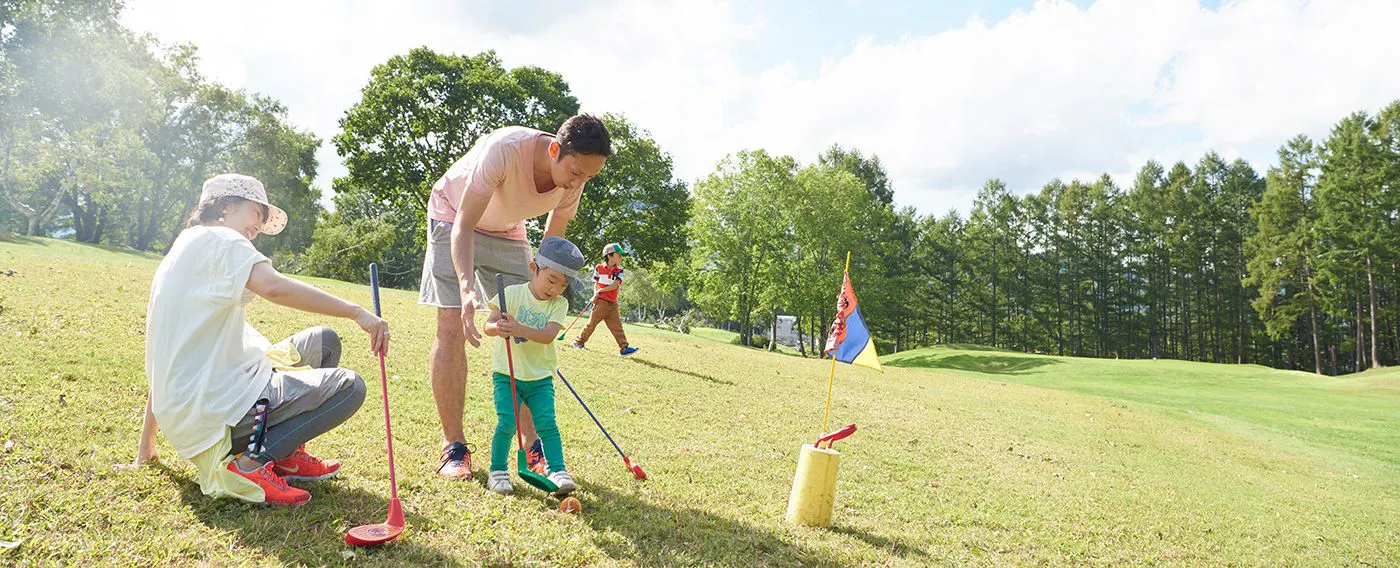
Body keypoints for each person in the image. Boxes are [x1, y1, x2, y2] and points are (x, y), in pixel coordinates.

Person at [119, 173, 390, 506]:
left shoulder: (184, 247)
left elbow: (168, 357)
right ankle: (252, 462)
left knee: (325, 341)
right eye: (255, 213)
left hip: (194, 405)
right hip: (218, 407)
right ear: (225, 206)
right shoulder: (223, 240)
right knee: (350, 388)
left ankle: (286, 455)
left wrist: (145, 449)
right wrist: (357, 312)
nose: (259, 226)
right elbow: (274, 287)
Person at [419, 114, 611, 479]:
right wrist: (465, 288)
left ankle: (530, 443)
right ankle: (454, 447)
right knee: (451, 326)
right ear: (555, 149)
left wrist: (540, 300)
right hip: (452, 216)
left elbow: (551, 247)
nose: (578, 183)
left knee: (524, 326)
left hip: (507, 231)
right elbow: (464, 224)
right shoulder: (505, 150)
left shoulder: (574, 179)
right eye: (575, 172)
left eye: (588, 176)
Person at [481, 236, 585, 496]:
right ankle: (497, 472)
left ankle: (558, 470)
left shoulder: (559, 304)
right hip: (507, 374)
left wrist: (518, 328)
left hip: (540, 378)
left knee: (547, 424)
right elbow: (487, 326)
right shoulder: (510, 294)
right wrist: (499, 328)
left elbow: (548, 335)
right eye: (551, 280)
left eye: (562, 285)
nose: (555, 289)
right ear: (533, 268)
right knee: (506, 422)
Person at [571, 242, 639, 356]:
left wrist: (600, 291)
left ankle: (624, 348)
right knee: (591, 324)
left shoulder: (619, 271)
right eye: (619, 255)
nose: (621, 257)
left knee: (617, 327)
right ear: (609, 256)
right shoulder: (599, 268)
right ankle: (578, 342)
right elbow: (596, 284)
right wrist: (595, 295)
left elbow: (615, 285)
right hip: (601, 302)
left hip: (612, 303)